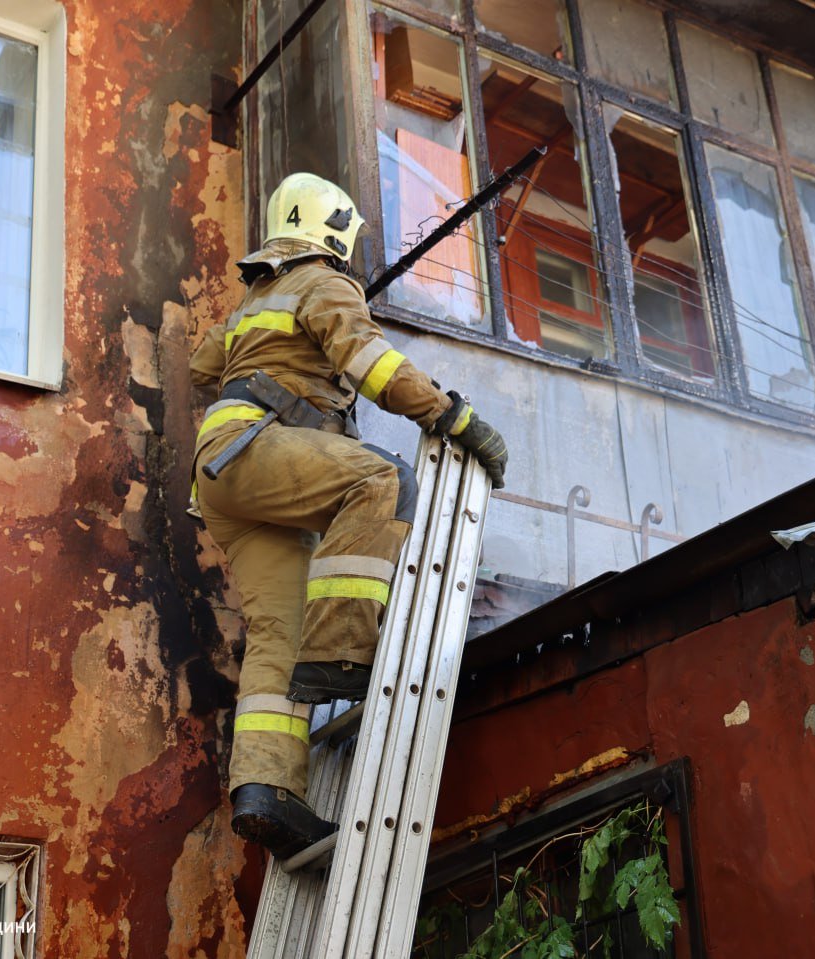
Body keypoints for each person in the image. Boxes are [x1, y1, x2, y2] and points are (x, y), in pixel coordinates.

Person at [189, 172, 507, 860]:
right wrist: (454, 416)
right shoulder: (326, 284)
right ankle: (340, 653)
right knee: (380, 478)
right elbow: (372, 365)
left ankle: (265, 791)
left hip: (222, 478)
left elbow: (201, 365)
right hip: (254, 456)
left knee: (280, 630)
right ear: (334, 229)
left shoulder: (256, 297)